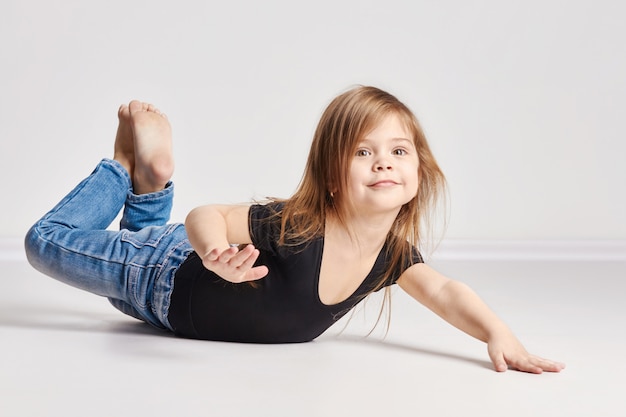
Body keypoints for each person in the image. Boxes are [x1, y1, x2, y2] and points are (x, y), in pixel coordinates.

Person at [24, 86, 564, 374]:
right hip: (163, 276)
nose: (383, 163)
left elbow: (446, 292)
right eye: (363, 152)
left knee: (129, 265)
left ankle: (151, 180)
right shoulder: (300, 226)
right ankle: (123, 165)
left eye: (398, 152)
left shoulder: (390, 258)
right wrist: (213, 251)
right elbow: (207, 215)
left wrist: (499, 335)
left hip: (161, 312)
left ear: (418, 175)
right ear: (331, 176)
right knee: (44, 241)